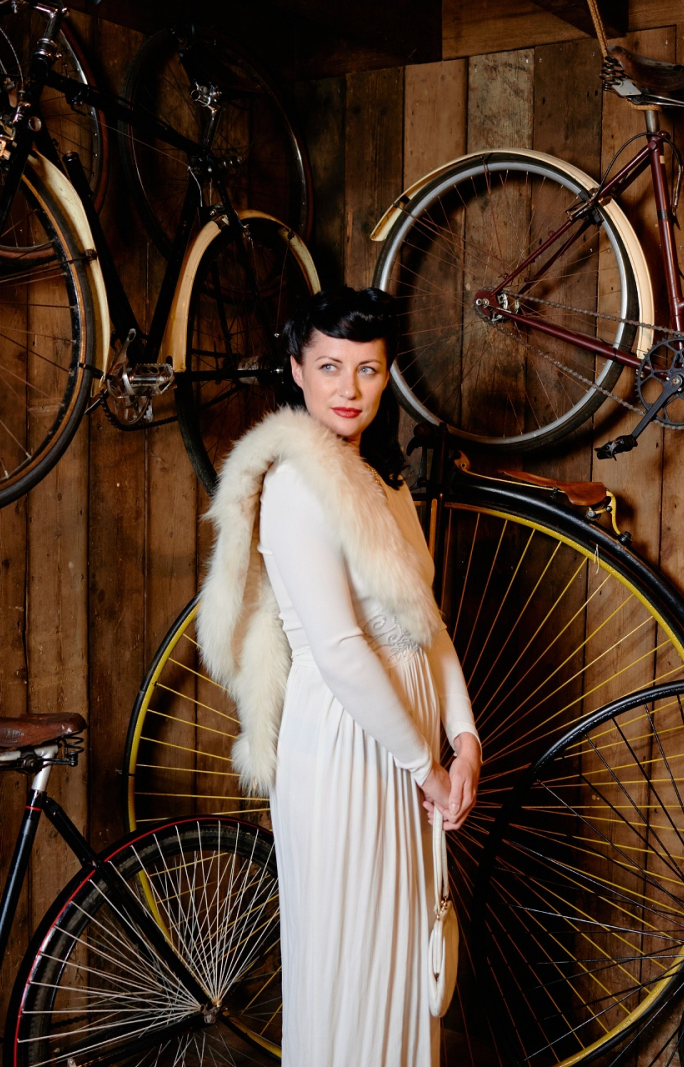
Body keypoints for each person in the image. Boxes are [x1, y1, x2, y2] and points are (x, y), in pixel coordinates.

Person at [197, 286, 480, 1067]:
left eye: (367, 369)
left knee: (403, 969)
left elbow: (429, 623)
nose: (348, 389)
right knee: (351, 965)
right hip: (347, 753)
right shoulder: (295, 485)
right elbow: (341, 649)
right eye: (329, 367)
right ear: (296, 370)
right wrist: (425, 764)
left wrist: (463, 737)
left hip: (411, 745)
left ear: (387, 377)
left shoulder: (385, 482)